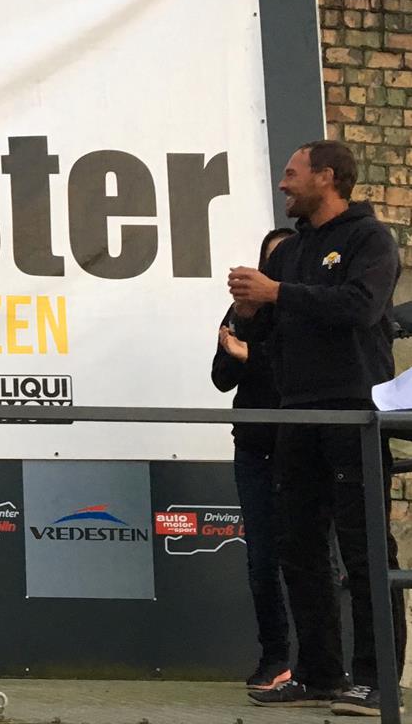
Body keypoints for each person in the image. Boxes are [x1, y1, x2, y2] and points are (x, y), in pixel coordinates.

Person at [230, 140, 405, 715]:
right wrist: (251, 312)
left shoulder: (370, 239)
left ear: (327, 177)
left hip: (353, 411)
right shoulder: (291, 251)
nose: (283, 184)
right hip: (297, 411)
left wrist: (277, 293)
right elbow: (267, 333)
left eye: (292, 173)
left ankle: (377, 681)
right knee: (298, 546)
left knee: (363, 548)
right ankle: (320, 673)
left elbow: (360, 307)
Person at [212, 227, 295, 692]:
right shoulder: (242, 310)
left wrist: (253, 356)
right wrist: (241, 333)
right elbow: (221, 376)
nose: (277, 266)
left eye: (287, 258)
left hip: (301, 447)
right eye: (271, 259)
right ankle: (275, 657)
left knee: (309, 557)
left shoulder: (306, 309)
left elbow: (303, 372)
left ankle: (318, 665)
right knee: (261, 559)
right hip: (254, 448)